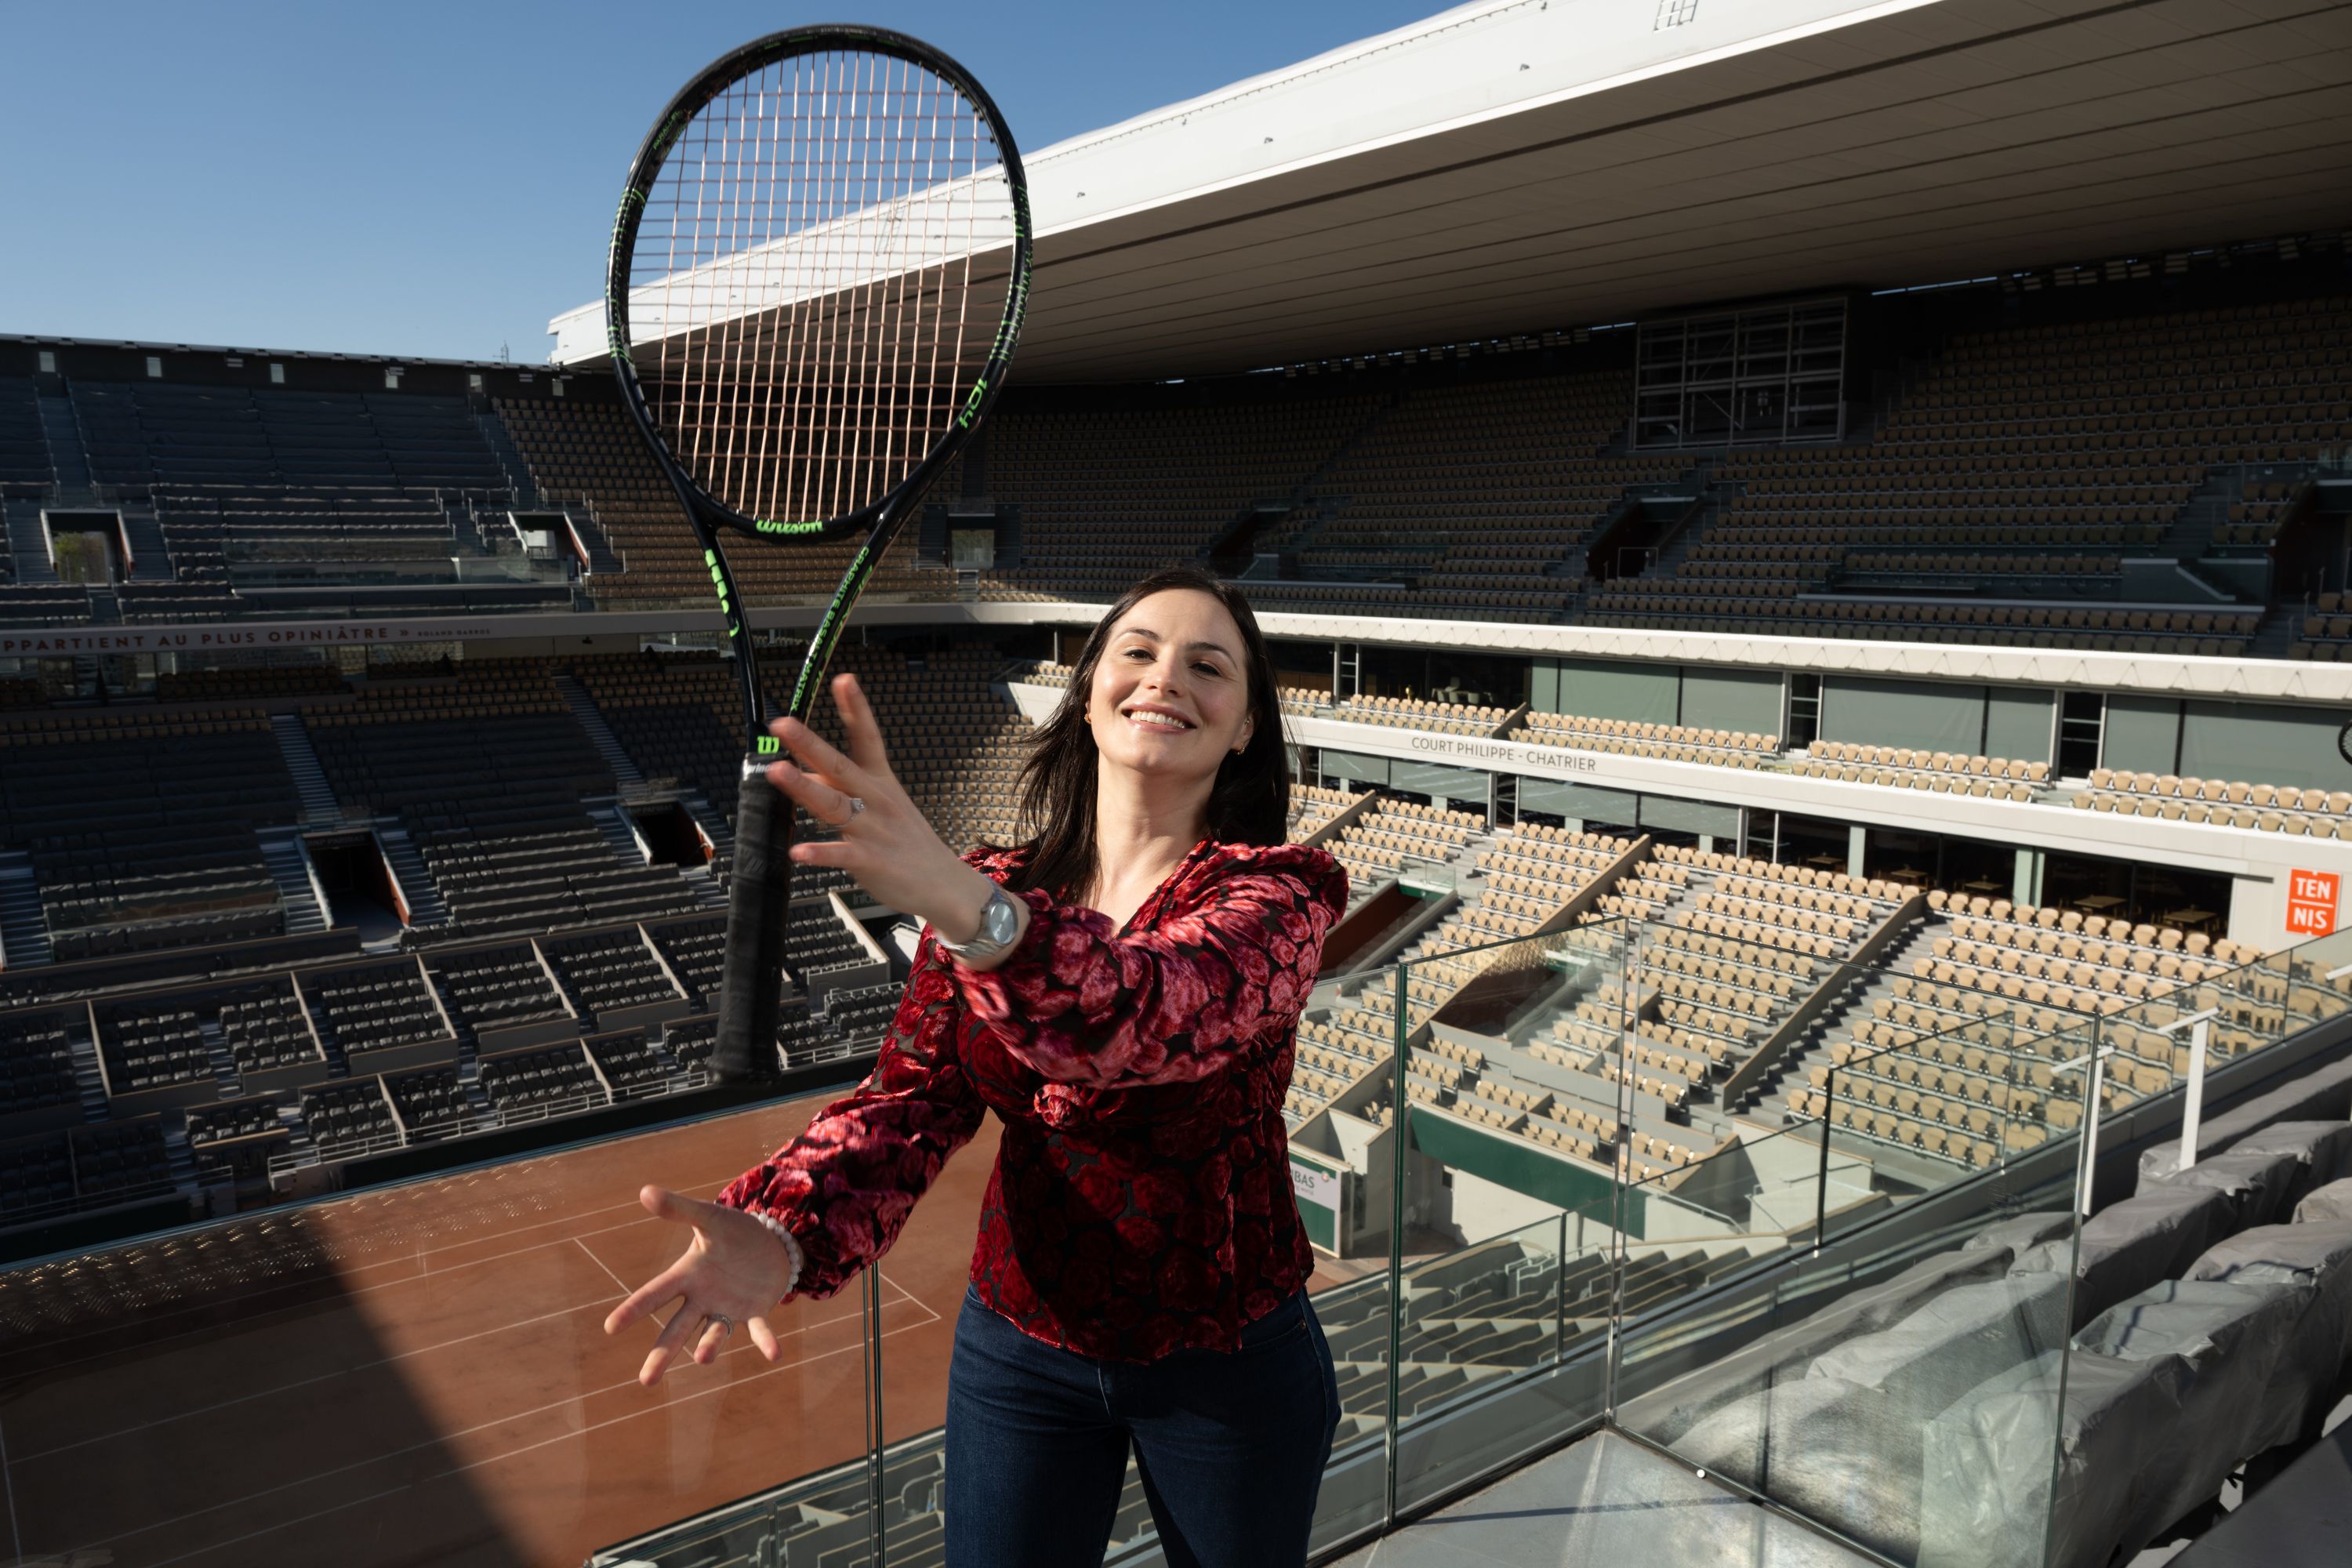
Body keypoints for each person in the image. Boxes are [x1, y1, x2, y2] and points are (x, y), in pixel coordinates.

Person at [605, 565, 1348, 1568]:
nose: (1165, 676)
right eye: (1137, 651)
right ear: (1087, 693)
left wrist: (977, 918)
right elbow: (910, 1102)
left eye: (1208, 665)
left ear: (1246, 723)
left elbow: (1137, 1017)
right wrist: (787, 1227)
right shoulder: (991, 887)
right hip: (1021, 1346)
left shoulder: (1282, 895)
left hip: (1227, 1363)